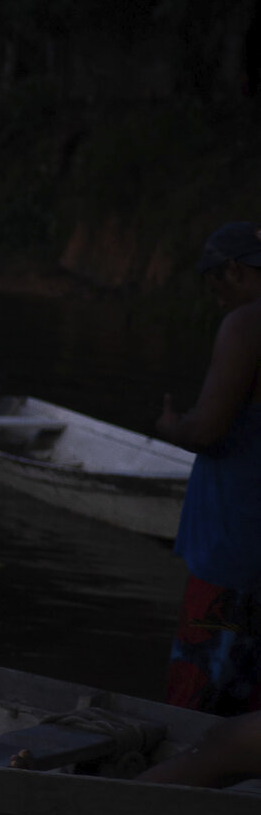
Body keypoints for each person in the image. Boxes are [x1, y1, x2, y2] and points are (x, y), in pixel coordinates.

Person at [156, 222, 261, 715]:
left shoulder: (247, 323)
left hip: (235, 557)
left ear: (235, 270)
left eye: (216, 285)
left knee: (199, 707)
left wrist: (172, 425)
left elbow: (207, 430)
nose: (217, 300)